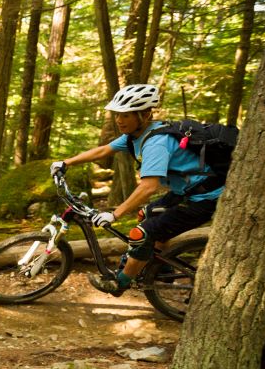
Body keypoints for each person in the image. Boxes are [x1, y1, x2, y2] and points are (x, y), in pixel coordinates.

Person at [48, 83, 225, 296]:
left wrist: (114, 214)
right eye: (117, 114)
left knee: (141, 234)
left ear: (145, 115)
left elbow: (149, 187)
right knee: (147, 214)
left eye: (126, 115)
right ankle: (161, 266)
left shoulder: (156, 143)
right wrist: (66, 162)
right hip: (185, 192)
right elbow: (105, 150)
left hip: (203, 198)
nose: (119, 120)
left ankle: (120, 283)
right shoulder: (136, 135)